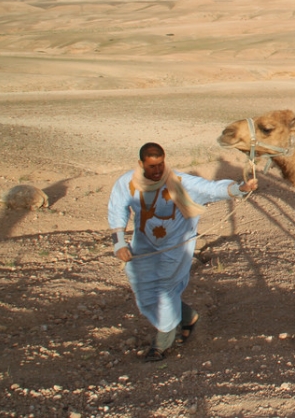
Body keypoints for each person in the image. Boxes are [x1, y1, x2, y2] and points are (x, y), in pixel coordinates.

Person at [108, 142, 257, 361]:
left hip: (175, 249)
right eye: (152, 167)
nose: (158, 171)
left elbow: (210, 189)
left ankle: (161, 344)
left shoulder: (179, 182)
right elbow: (117, 210)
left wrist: (239, 189)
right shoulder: (126, 183)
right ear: (141, 164)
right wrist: (119, 243)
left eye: (161, 164)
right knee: (142, 286)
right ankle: (188, 316)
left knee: (162, 290)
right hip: (144, 247)